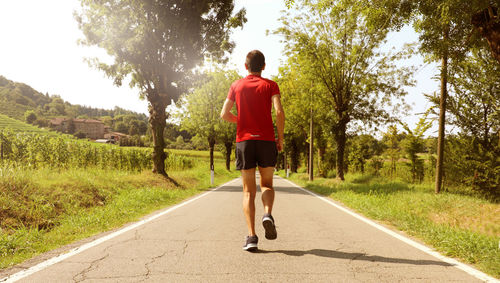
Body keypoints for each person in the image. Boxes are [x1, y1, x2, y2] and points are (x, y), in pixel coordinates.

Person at [220, 50, 285, 251]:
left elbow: (224, 114)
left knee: (248, 191)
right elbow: (279, 112)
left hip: (244, 142)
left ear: (246, 66)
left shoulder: (236, 85)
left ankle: (251, 237)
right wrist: (279, 137)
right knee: (266, 185)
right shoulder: (271, 85)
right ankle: (267, 213)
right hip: (266, 141)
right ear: (264, 66)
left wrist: (242, 120)